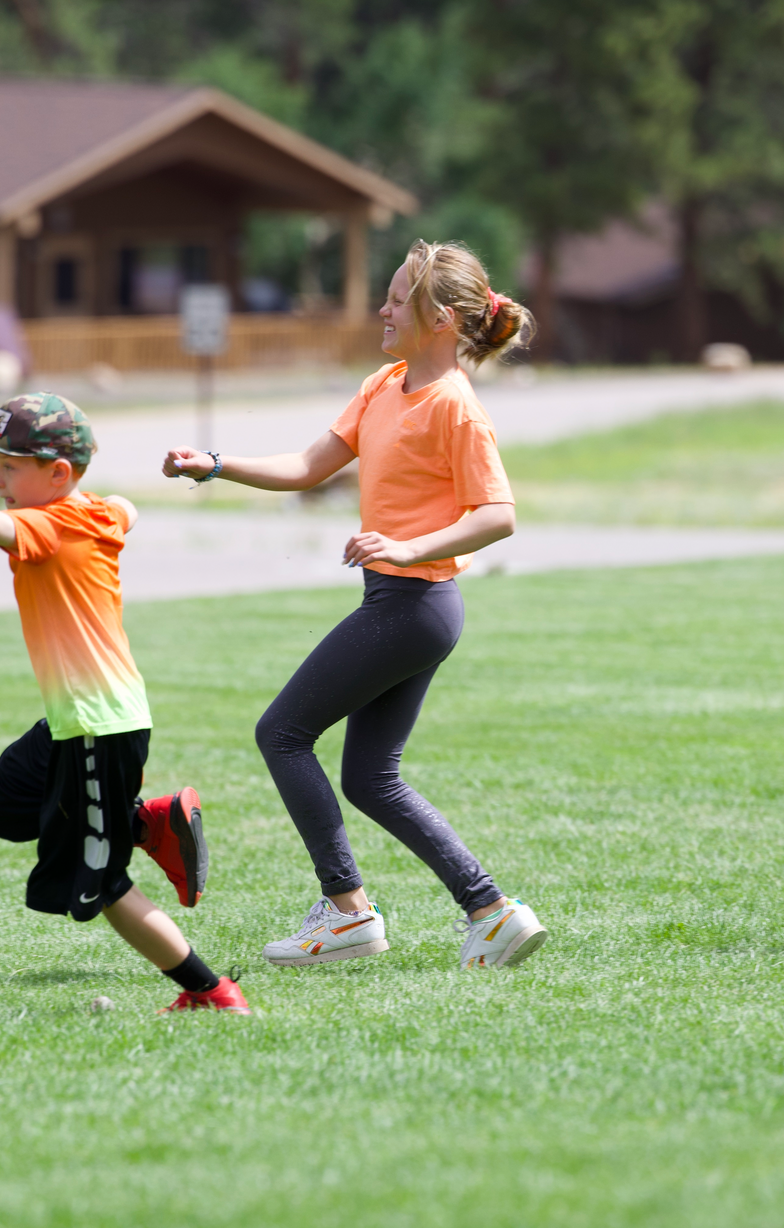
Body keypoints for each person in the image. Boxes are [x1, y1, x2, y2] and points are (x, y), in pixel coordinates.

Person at [162, 240, 547, 971]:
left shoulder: (455, 407)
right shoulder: (385, 384)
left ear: (439, 317)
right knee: (371, 777)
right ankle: (491, 911)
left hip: (415, 602)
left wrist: (408, 548)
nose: (383, 306)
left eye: (398, 297)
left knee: (281, 731)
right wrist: (217, 464)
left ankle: (348, 912)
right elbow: (309, 466)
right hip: (407, 604)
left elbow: (497, 513)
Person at [0, 384, 246, 1012]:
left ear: (58, 473)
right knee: (2, 804)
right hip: (82, 722)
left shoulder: (51, 525)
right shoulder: (97, 512)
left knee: (98, 881)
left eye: (9, 467)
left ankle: (212, 992)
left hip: (96, 728)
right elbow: (124, 505)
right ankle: (146, 822)